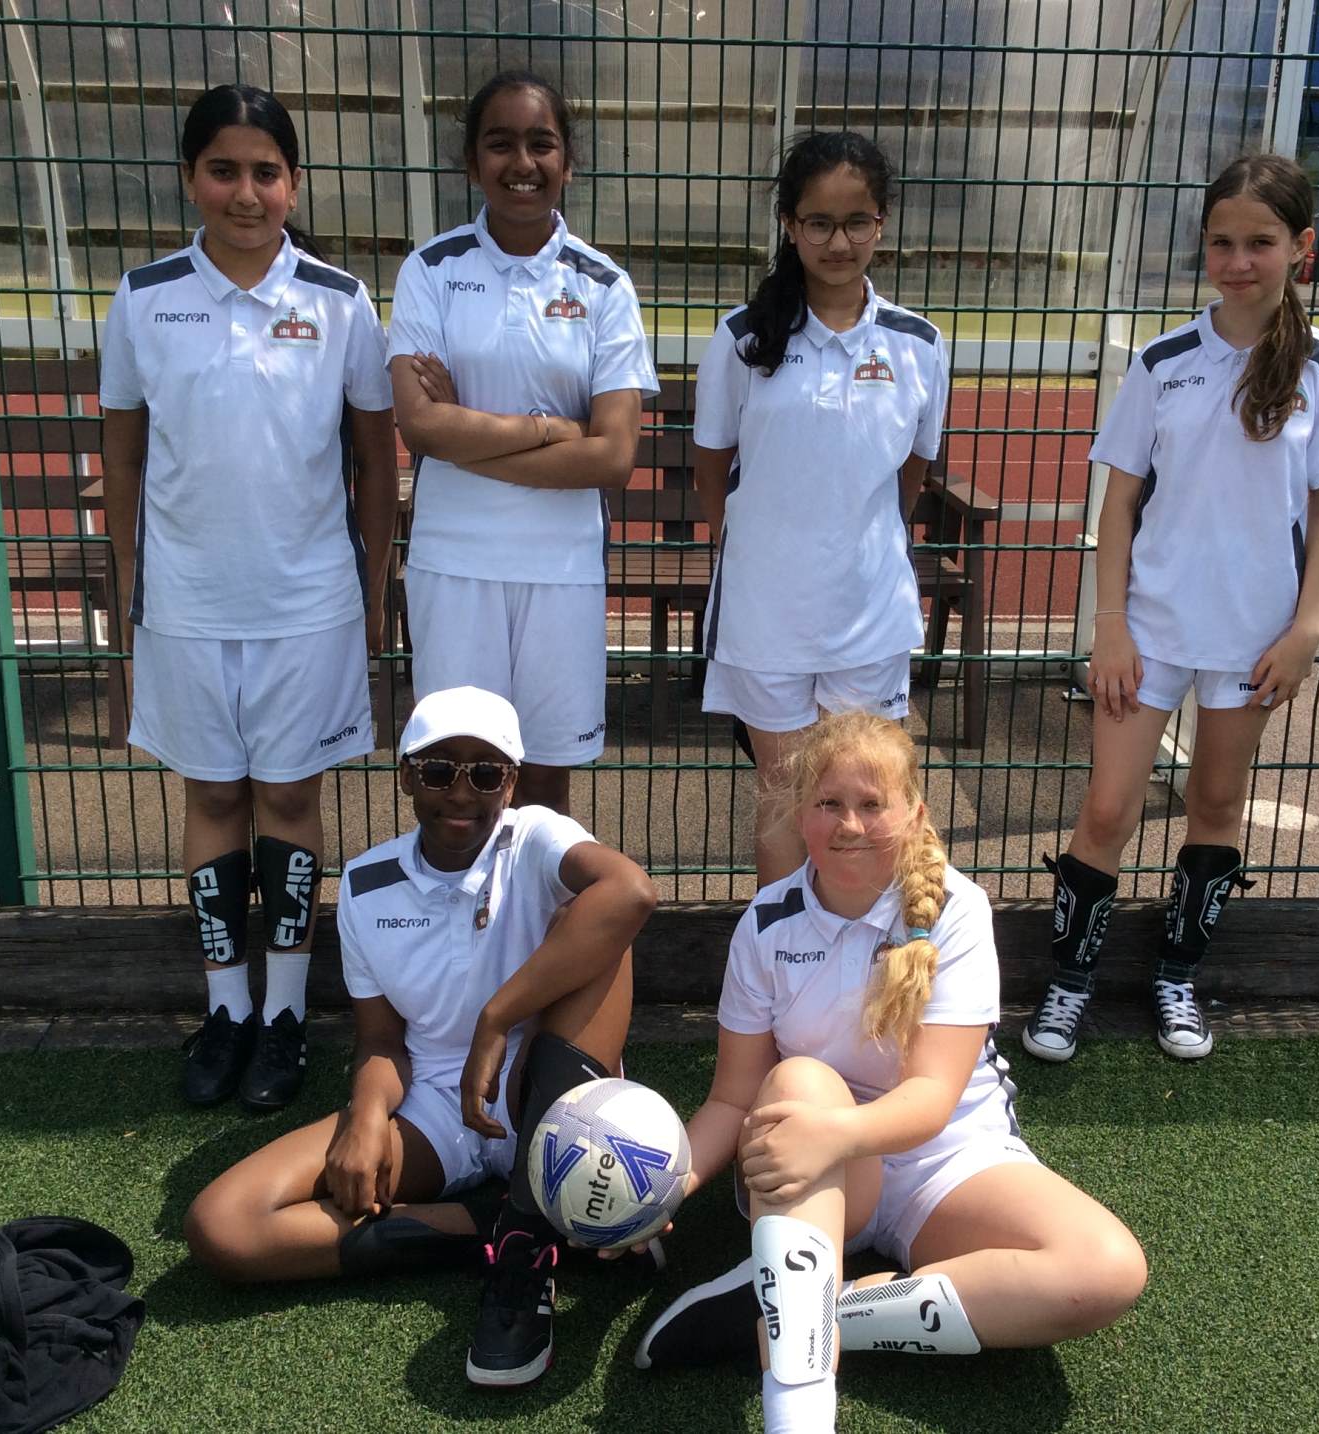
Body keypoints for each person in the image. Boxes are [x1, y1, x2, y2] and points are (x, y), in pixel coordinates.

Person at [633, 713, 1145, 1433]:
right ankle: (799, 1411)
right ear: (799, 816)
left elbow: (932, 1098)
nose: (850, 824)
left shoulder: (957, 910)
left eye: (872, 804)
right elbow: (731, 1097)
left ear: (914, 815)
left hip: (948, 1158)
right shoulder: (766, 924)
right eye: (829, 803)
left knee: (1104, 1270)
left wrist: (837, 1135)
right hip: (820, 1165)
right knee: (800, 1083)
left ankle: (798, 1309)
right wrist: (666, 1190)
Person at [183, 686, 658, 1391]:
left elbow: (632, 892)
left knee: (600, 922)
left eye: (486, 773)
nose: (461, 792)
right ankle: (512, 1224)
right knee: (224, 1225)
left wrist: (497, 1021)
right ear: (406, 777)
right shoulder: (366, 885)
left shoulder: (534, 837)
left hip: (546, 1085)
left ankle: (524, 1256)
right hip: (437, 1103)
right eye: (438, 771)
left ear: (512, 784)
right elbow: (381, 1040)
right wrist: (367, 1117)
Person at [1020, 153, 1319, 1065]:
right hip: (1151, 630)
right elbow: (1119, 500)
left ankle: (1177, 978)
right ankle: (1069, 983)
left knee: (1214, 801)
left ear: (1301, 247)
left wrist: (1307, 627)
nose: (1238, 261)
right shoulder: (1162, 360)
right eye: (1222, 242)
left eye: (1260, 242)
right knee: (1108, 810)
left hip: (1254, 637)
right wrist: (1110, 626)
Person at [99, 84, 397, 1110]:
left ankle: (284, 1016)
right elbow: (123, 459)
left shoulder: (341, 301)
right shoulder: (144, 298)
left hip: (308, 606)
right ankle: (225, 1008)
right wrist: (131, 590)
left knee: (291, 801)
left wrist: (370, 592)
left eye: (266, 172)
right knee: (214, 799)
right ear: (191, 178)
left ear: (293, 184)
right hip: (185, 607)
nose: (245, 192)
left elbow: (375, 463)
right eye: (223, 170)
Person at [387, 69, 657, 815]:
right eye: (500, 144)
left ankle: (536, 900)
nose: (522, 163)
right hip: (454, 563)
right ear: (472, 163)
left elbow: (612, 458)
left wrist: (466, 433)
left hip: (560, 567)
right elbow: (420, 426)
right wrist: (550, 430)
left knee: (543, 784)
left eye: (542, 144)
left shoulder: (604, 286)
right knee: (456, 778)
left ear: (568, 161)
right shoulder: (430, 271)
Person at [693, 131, 950, 887]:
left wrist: (855, 542)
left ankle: (860, 951)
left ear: (882, 223)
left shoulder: (918, 344)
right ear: (789, 225)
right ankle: (781, 951)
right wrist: (756, 547)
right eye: (818, 223)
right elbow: (713, 467)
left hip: (868, 615)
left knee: (863, 799)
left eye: (856, 222)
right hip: (765, 614)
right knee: (785, 799)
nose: (839, 243)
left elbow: (911, 474)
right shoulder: (742, 339)